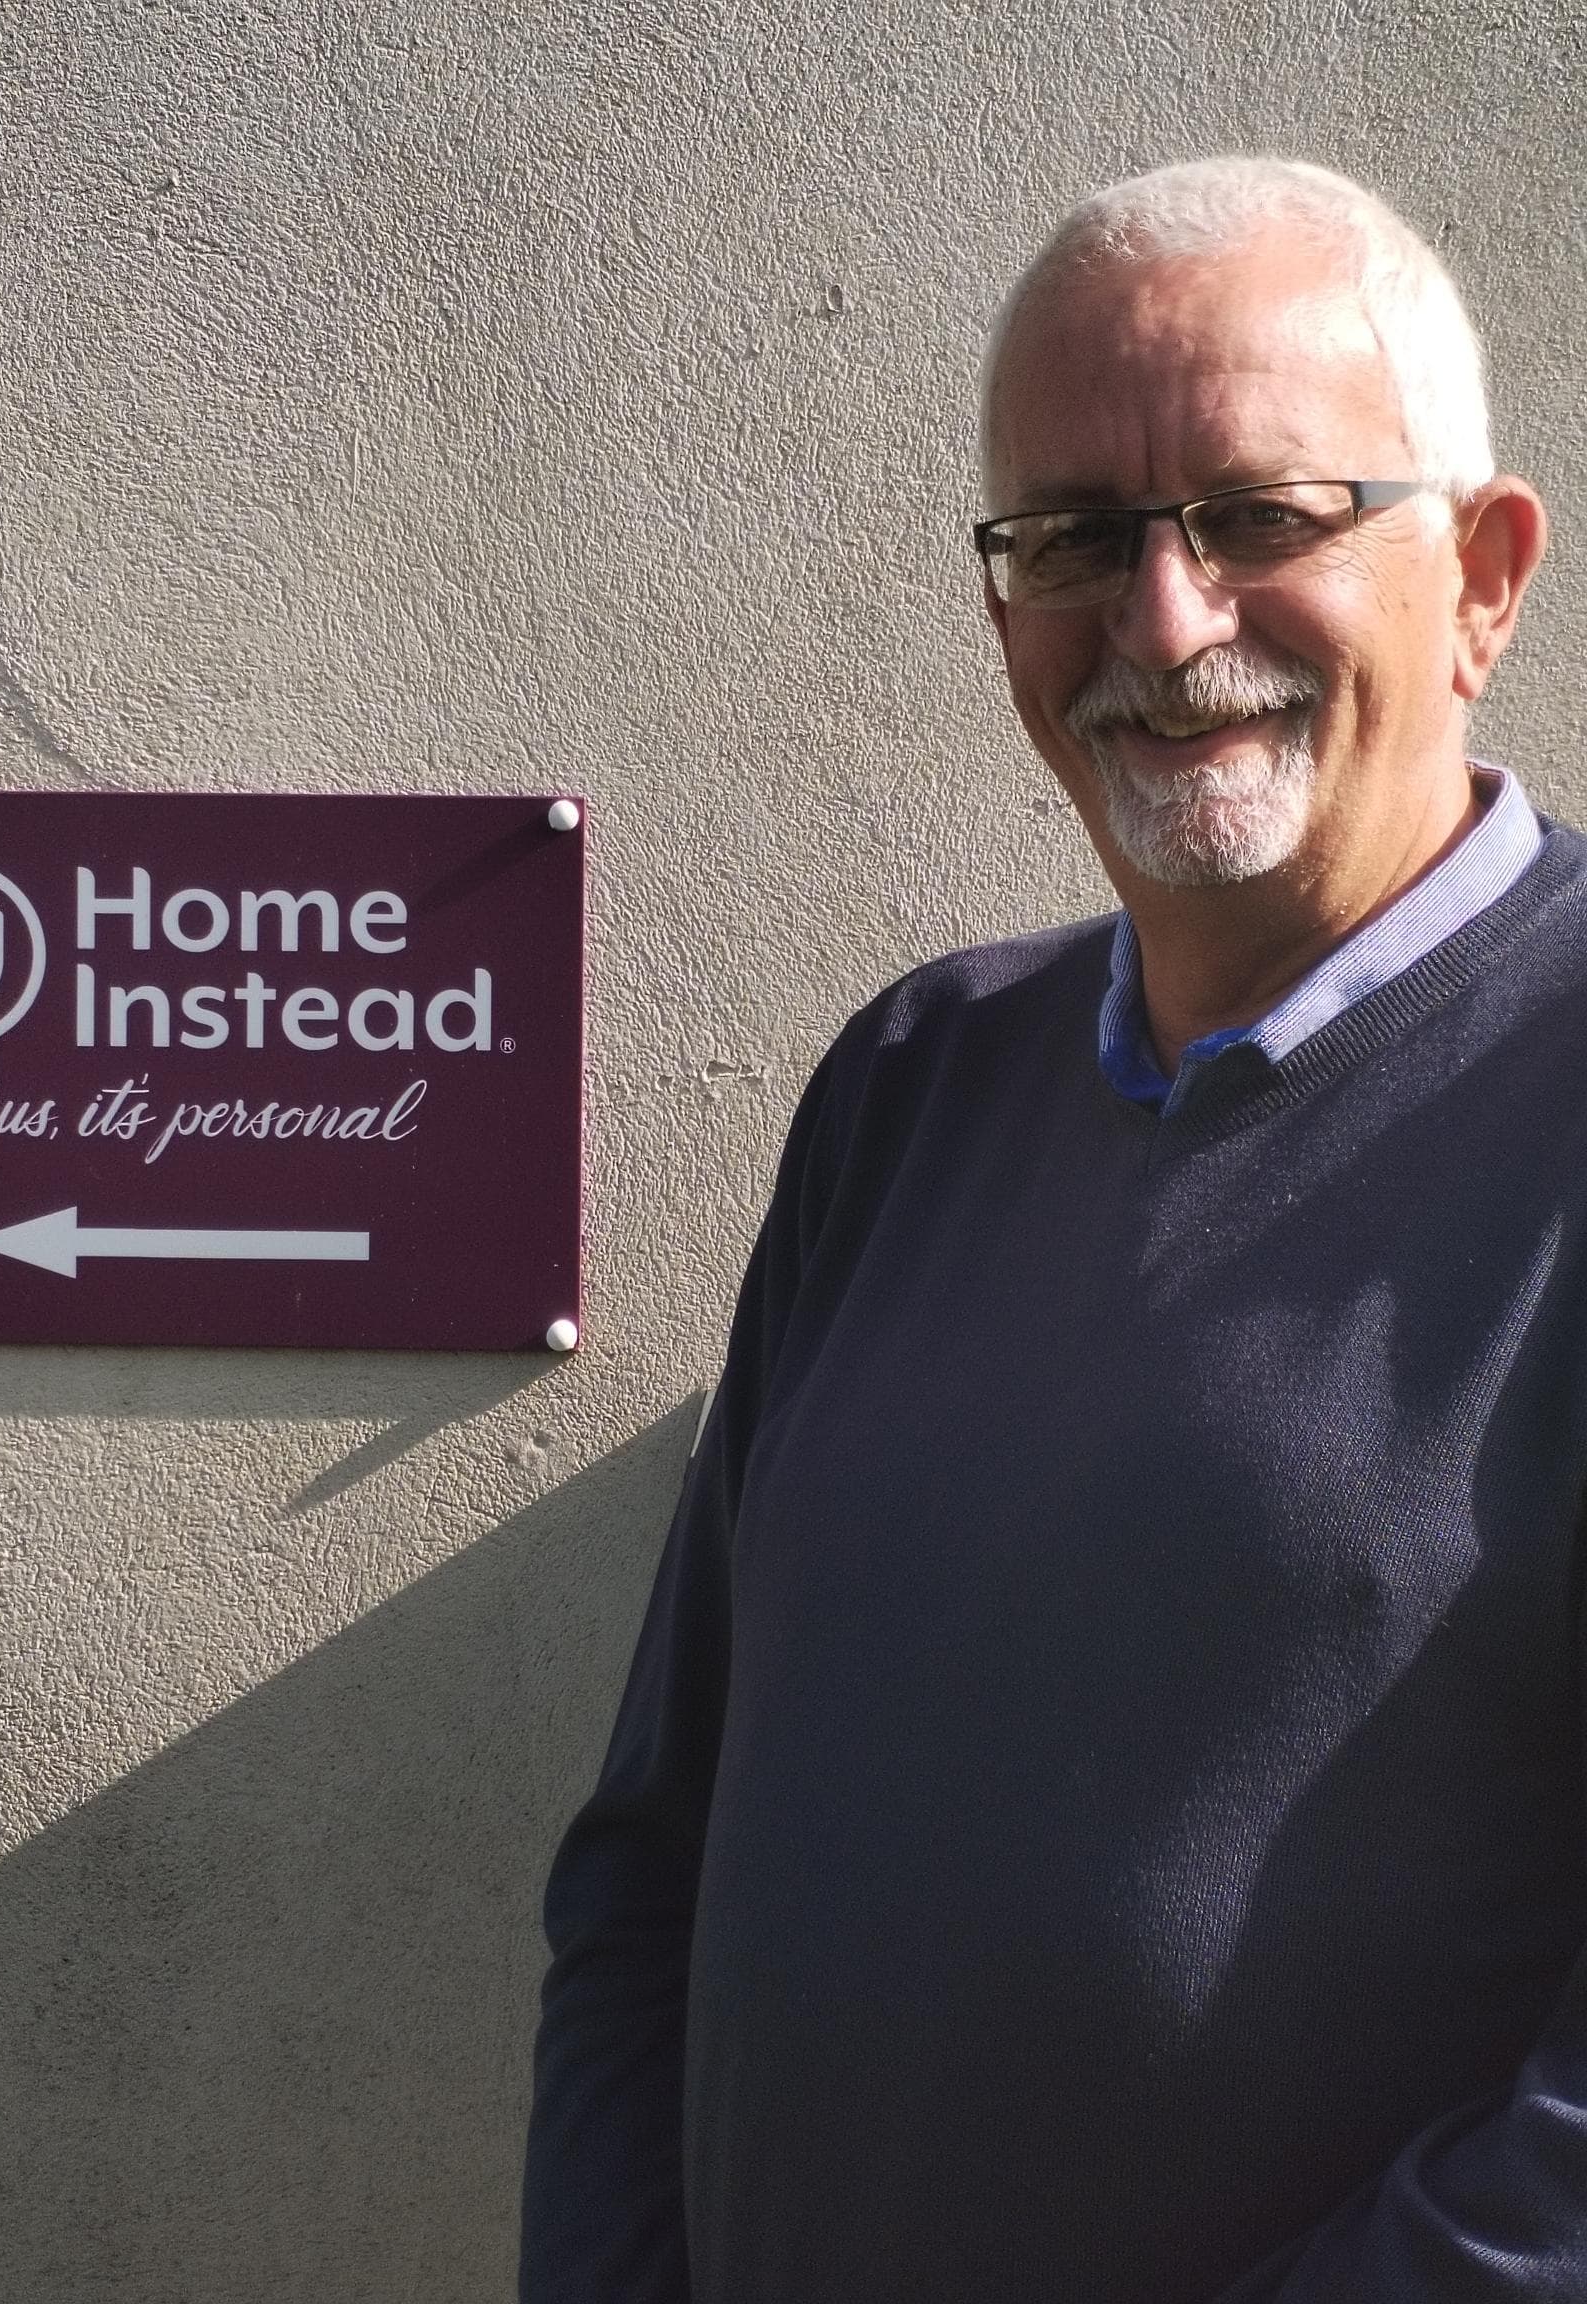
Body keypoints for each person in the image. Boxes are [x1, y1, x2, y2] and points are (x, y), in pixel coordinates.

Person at [520, 155, 1587, 2302]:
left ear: (1482, 577)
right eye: (1077, 538)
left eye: (1261, 516)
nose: (1164, 623)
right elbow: (652, 1871)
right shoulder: (911, 1085)